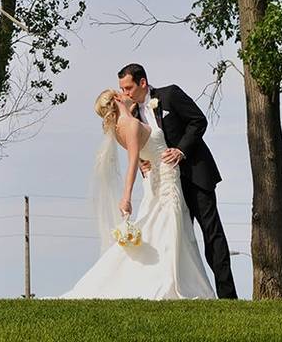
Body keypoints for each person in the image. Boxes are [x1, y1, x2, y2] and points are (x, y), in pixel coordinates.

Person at [58, 88, 215, 299]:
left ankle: (174, 277)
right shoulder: (130, 124)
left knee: (161, 226)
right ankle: (169, 281)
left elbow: (142, 154)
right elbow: (133, 162)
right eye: (120, 92)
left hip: (157, 178)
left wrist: (144, 161)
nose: (125, 93)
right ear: (116, 99)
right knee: (170, 227)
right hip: (166, 177)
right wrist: (126, 196)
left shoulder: (120, 127)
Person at [119, 63, 237, 299]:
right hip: (165, 183)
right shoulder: (133, 114)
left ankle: (228, 297)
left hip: (195, 174)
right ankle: (179, 289)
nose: (125, 93)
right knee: (177, 237)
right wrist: (144, 162)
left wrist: (181, 150)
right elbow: (142, 145)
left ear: (143, 83)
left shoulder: (170, 94)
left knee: (211, 233)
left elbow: (198, 121)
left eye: (129, 87)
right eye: (122, 89)